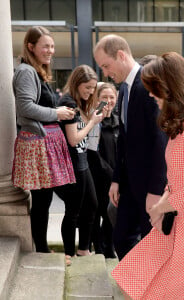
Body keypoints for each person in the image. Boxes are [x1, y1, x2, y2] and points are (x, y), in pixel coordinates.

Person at [111, 52, 184, 299]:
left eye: (154, 89)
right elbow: (178, 178)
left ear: (171, 87)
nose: (150, 95)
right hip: (179, 223)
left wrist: (160, 207)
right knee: (135, 279)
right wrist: (162, 206)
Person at [93, 34, 167, 261]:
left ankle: (151, 291)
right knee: (121, 237)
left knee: (152, 242)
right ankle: (139, 285)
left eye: (106, 65)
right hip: (129, 184)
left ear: (122, 55)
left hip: (149, 187)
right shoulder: (124, 88)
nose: (105, 73)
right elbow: (123, 139)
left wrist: (155, 191)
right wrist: (116, 179)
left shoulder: (147, 85)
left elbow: (159, 140)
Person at [12, 26, 76, 253]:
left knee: (44, 200)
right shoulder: (26, 72)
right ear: (31, 47)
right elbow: (25, 107)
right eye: (46, 46)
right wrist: (56, 113)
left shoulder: (35, 71)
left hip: (45, 143)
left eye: (52, 46)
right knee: (44, 200)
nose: (51, 50)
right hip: (38, 143)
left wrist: (59, 112)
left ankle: (42, 248)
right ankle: (42, 249)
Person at [58, 65, 105, 264]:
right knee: (73, 210)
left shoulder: (80, 102)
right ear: (77, 83)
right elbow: (74, 139)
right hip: (73, 163)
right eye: (87, 87)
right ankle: (69, 252)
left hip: (82, 161)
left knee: (92, 205)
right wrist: (92, 122)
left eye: (93, 88)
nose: (91, 92)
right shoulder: (68, 103)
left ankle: (83, 249)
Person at [87, 82, 119, 258]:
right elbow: (93, 151)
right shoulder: (94, 120)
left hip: (115, 177)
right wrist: (109, 172)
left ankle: (108, 248)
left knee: (111, 215)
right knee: (96, 212)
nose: (108, 101)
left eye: (111, 97)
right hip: (97, 175)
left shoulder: (119, 120)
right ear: (97, 99)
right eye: (104, 97)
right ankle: (98, 248)